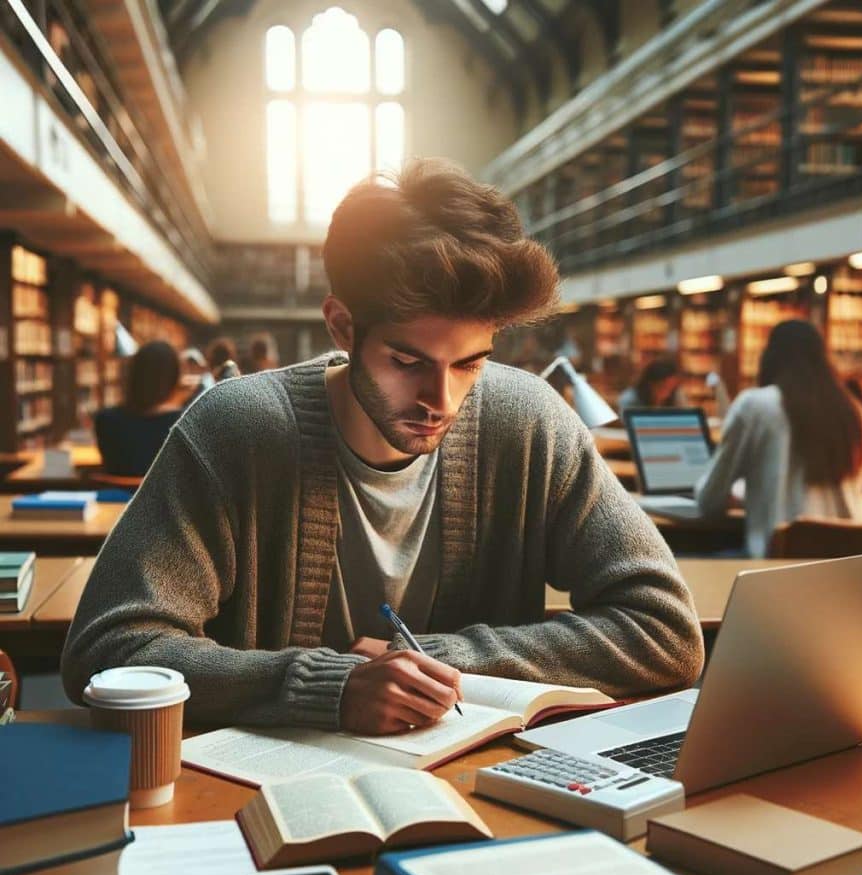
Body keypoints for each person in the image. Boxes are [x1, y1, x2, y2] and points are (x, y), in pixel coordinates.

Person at [62, 159, 703, 736]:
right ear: (342, 325)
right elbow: (111, 646)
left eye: (470, 365)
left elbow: (666, 632)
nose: (442, 400)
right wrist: (325, 687)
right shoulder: (234, 429)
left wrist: (435, 660)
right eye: (408, 361)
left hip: (479, 793)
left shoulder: (529, 420)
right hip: (256, 793)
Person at [694, 319, 862, 557]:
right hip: (846, 571)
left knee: (680, 562)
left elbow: (710, 502)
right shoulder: (853, 412)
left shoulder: (756, 406)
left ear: (769, 358)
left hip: (776, 569)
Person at [93, 339, 182, 477]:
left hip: (117, 498)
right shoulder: (183, 422)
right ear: (174, 379)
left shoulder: (105, 420)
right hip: (163, 499)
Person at [618, 358, 683, 415]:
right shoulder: (630, 399)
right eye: (662, 387)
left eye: (671, 388)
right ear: (649, 384)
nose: (667, 394)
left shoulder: (676, 395)